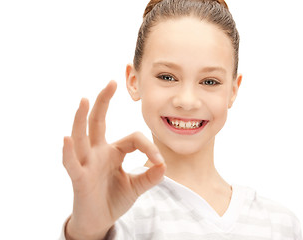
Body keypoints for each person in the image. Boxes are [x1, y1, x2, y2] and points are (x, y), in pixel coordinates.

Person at [60, 0, 302, 239]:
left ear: (233, 91)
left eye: (209, 81)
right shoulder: (119, 212)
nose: (187, 101)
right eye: (167, 77)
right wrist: (86, 232)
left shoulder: (280, 224)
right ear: (134, 81)